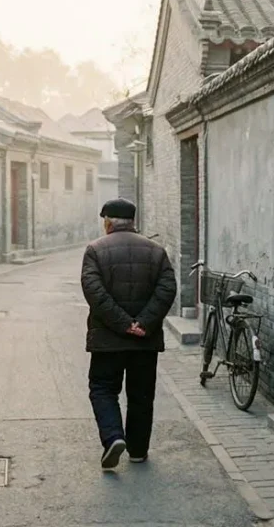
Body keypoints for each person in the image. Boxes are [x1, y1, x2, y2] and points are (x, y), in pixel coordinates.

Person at [80, 198, 177, 469]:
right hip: (144, 339)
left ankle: (113, 437)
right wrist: (142, 323)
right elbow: (167, 288)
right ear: (132, 221)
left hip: (107, 339)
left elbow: (94, 292)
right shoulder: (156, 251)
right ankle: (138, 450)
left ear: (108, 222)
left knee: (102, 389)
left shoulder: (95, 250)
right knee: (141, 395)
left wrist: (124, 324)